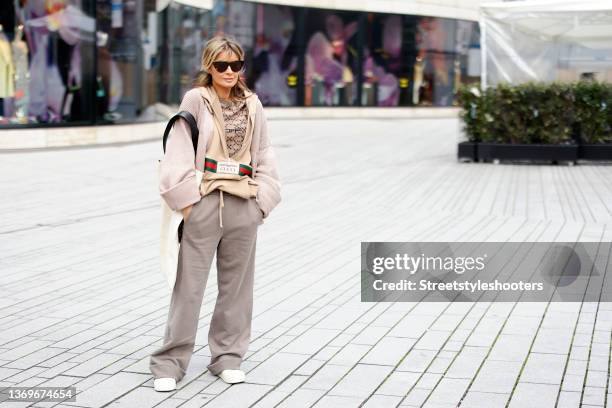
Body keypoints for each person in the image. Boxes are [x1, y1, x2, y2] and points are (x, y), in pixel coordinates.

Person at [150, 35, 281, 391]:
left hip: (243, 204)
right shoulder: (196, 99)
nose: (228, 71)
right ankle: (170, 362)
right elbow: (178, 148)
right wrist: (188, 204)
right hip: (205, 202)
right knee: (188, 288)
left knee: (237, 289)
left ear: (242, 67)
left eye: (235, 65)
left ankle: (227, 357)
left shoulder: (253, 103)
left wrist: (262, 202)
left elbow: (265, 154)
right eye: (220, 65)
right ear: (208, 66)